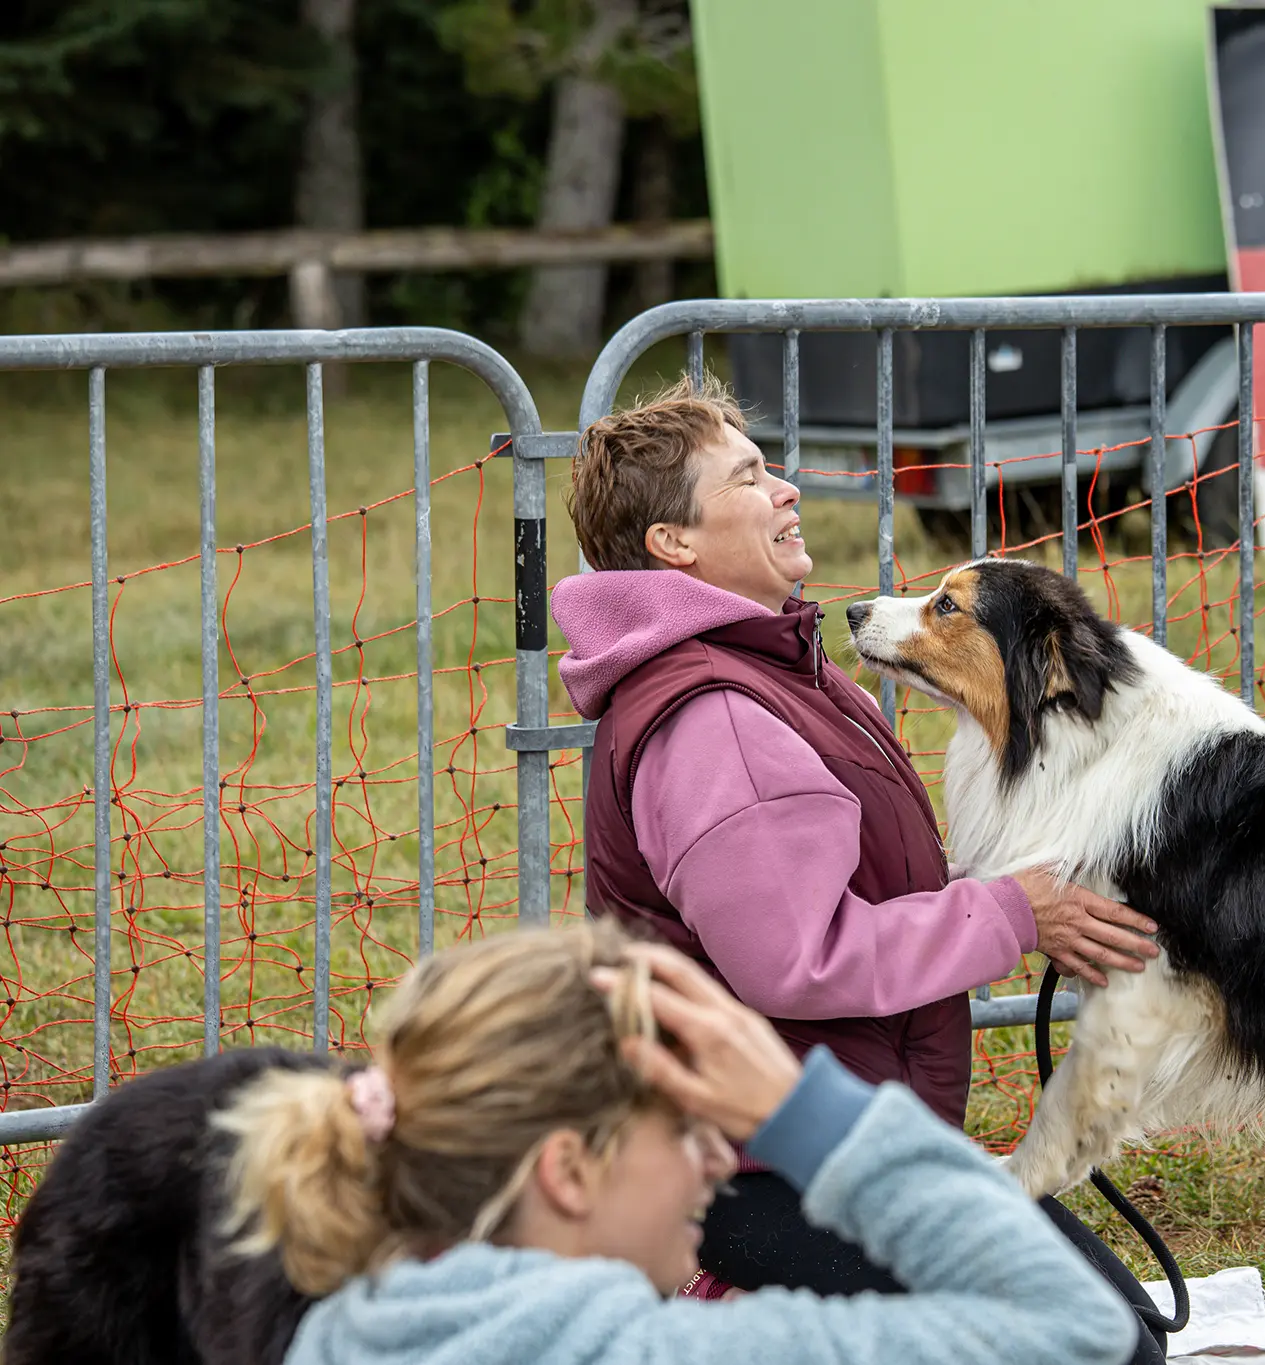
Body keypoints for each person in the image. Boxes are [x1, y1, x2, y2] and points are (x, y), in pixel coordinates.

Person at [551, 376, 1169, 1349]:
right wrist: (1011, 915)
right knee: (1102, 1343)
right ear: (673, 544)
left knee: (1114, 1328)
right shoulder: (719, 714)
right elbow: (795, 960)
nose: (786, 489)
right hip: (753, 1167)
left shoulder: (761, 663)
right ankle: (723, 1313)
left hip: (820, 1139)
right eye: (750, 478)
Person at [223, 923, 1140, 1365]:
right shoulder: (671, 1354)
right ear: (569, 1171)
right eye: (686, 1130)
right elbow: (1079, 1327)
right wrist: (802, 1108)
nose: (716, 1159)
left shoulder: (334, 1339)